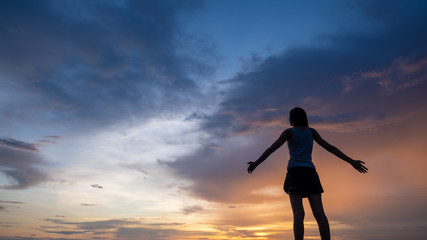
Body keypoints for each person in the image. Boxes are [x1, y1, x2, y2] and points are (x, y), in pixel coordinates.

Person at [247, 107, 367, 240]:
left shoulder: (289, 132)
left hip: (295, 173)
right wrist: (351, 161)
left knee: (298, 214)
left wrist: (256, 163)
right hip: (310, 173)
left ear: (291, 119)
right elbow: (330, 148)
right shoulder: (312, 132)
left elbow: (271, 149)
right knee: (319, 213)